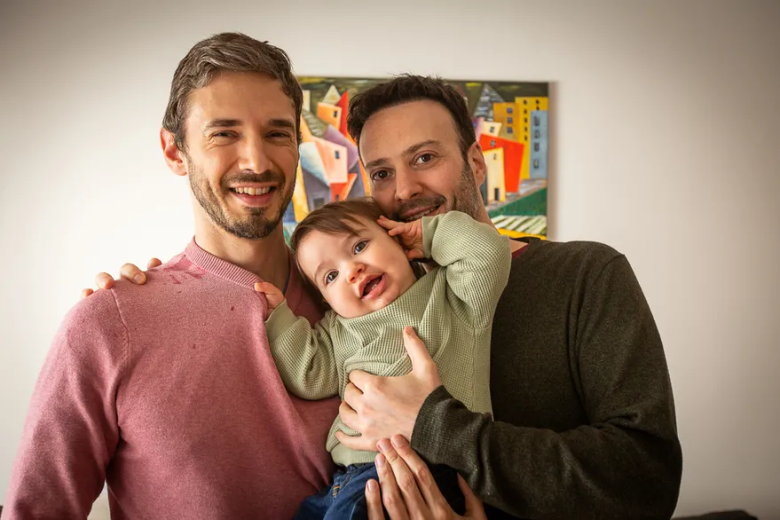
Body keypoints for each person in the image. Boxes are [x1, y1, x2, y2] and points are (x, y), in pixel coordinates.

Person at [85, 77, 684, 517]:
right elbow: (270, 323)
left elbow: (646, 479)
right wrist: (143, 292)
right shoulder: (350, 300)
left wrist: (433, 424)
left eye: (425, 158)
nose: (405, 190)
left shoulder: (584, 274)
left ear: (476, 162)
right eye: (381, 173)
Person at [3, 32, 342, 519]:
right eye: (224, 133)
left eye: (277, 133)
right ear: (174, 152)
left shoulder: (360, 294)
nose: (257, 161)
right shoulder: (106, 324)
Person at [254, 198, 510, 519]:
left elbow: (487, 253)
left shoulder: (452, 295)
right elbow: (308, 373)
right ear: (326, 300)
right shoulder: (338, 328)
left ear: (398, 240)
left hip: (436, 469)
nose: (351, 270)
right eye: (330, 277)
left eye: (359, 246)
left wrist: (427, 235)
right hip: (350, 478)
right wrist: (279, 318)